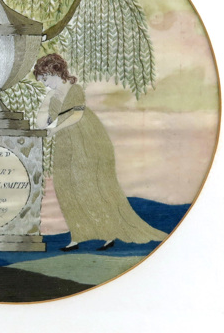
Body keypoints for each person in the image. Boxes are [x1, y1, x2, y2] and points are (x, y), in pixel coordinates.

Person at [34, 54, 167, 251]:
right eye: (42, 81)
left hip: (87, 140)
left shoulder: (74, 89)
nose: (45, 84)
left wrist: (54, 128)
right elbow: (40, 123)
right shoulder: (51, 96)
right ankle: (78, 236)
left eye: (45, 79)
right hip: (65, 144)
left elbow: (76, 115)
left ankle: (108, 234)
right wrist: (46, 104)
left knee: (94, 186)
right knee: (66, 186)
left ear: (55, 72)